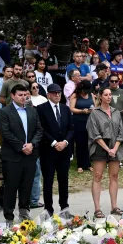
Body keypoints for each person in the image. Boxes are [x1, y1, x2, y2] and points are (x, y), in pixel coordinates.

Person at [0, 83, 42, 226]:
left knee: (27, 185)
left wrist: (32, 144)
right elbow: (6, 133)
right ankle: (9, 216)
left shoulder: (32, 111)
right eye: (20, 95)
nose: (23, 98)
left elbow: (39, 130)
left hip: (30, 155)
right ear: (12, 96)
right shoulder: (5, 112)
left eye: (25, 95)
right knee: (11, 186)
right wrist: (21, 146)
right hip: (12, 156)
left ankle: (24, 210)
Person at [37, 83, 74, 216]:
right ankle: (48, 209)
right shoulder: (41, 109)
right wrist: (53, 142)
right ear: (48, 95)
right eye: (54, 93)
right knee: (48, 180)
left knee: (63, 180)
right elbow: (41, 129)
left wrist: (65, 142)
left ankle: (64, 207)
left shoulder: (65, 109)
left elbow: (71, 128)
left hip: (64, 150)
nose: (57, 95)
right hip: (48, 151)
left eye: (59, 92)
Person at [87, 86, 123, 216]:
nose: (109, 97)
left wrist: (114, 148)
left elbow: (121, 132)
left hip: (115, 146)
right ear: (100, 96)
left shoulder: (116, 112)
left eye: (110, 95)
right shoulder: (95, 113)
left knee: (114, 176)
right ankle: (97, 208)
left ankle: (114, 206)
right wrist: (107, 149)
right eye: (106, 94)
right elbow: (94, 133)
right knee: (98, 176)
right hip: (100, 147)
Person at [68, 80, 94, 173]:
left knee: (89, 142)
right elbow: (71, 108)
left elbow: (95, 105)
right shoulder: (75, 95)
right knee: (80, 143)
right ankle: (80, 164)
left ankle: (88, 164)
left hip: (90, 121)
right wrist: (82, 111)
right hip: (78, 121)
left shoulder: (91, 95)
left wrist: (92, 110)